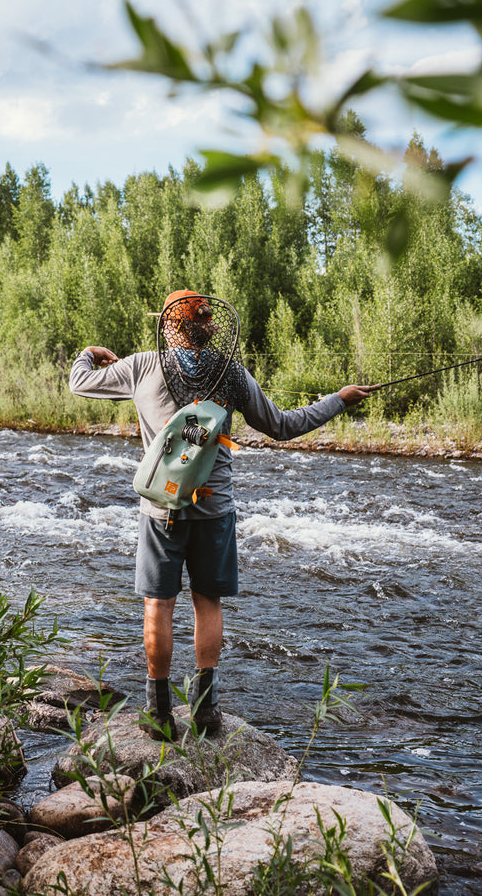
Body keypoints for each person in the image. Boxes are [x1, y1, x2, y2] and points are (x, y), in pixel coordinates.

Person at [69, 289, 373, 740]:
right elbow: (284, 426)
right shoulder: (232, 373)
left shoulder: (141, 366)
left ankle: (158, 713)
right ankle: (206, 711)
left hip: (160, 508)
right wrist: (340, 399)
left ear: (168, 325)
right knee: (206, 601)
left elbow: (79, 383)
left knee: (158, 605)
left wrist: (88, 353)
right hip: (215, 509)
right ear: (212, 327)